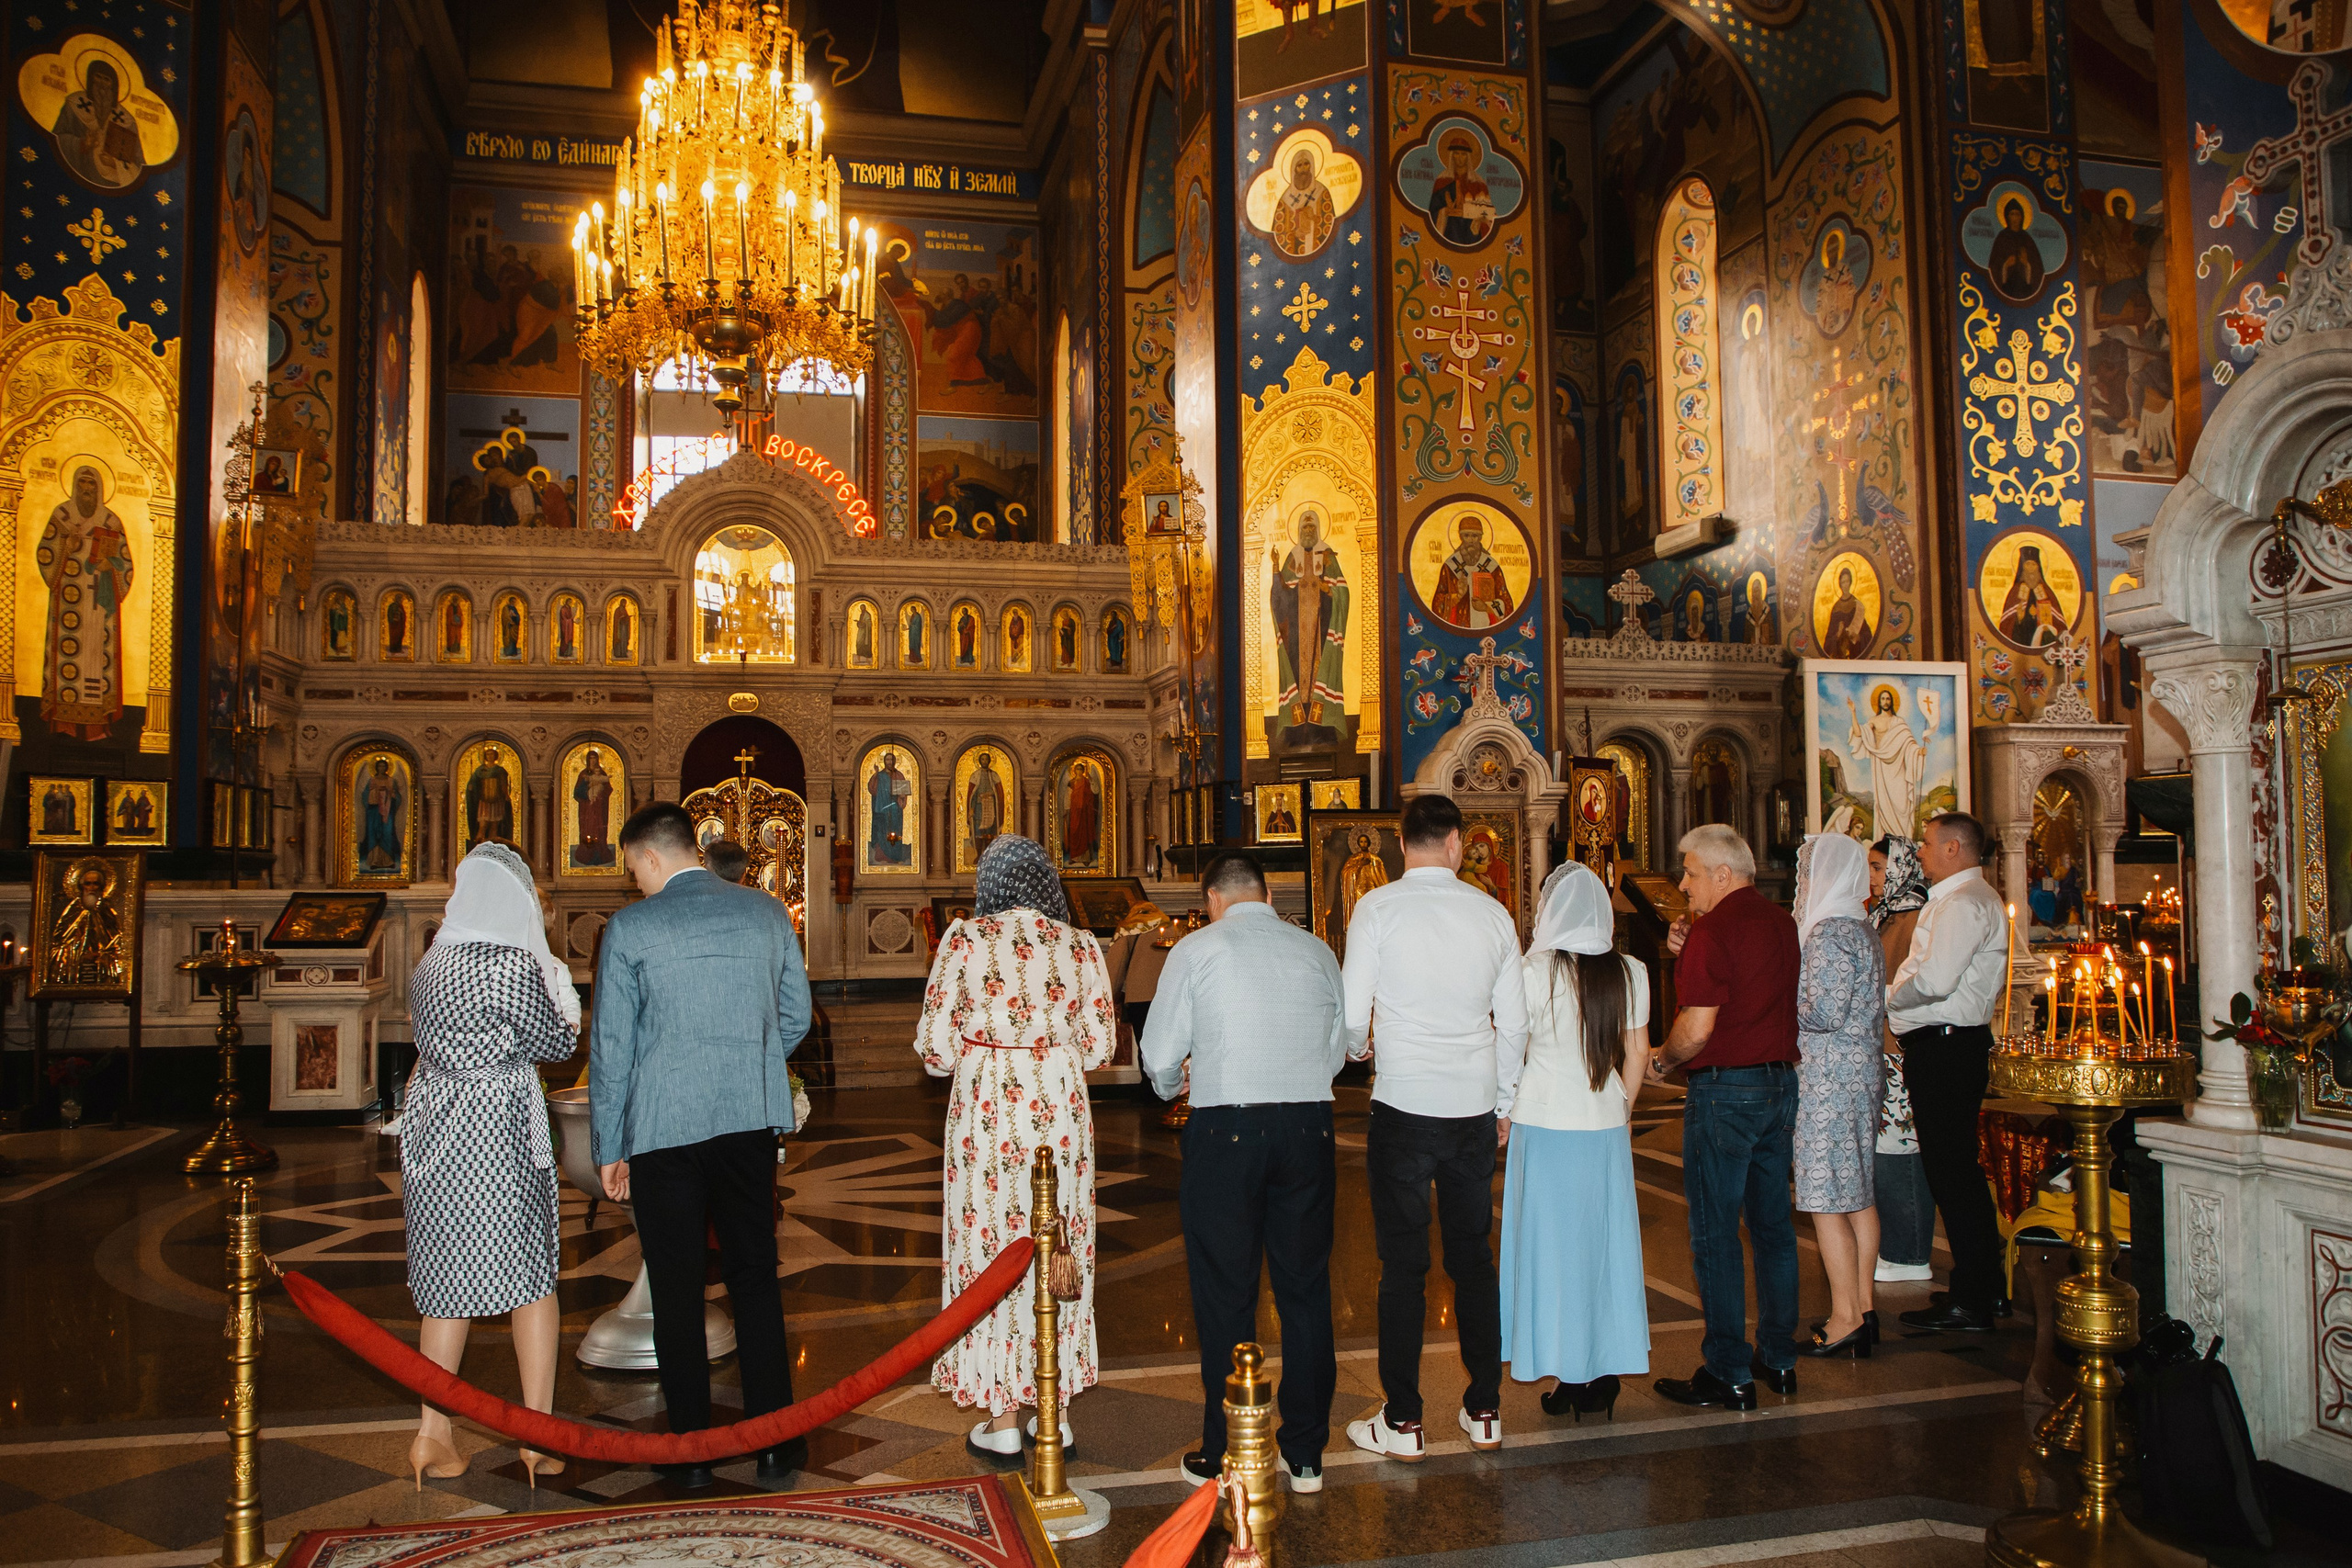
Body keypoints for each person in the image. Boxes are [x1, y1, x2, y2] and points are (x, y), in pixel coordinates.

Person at [591, 802, 812, 1489]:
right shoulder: (766, 914)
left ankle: (690, 1452)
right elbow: (797, 1014)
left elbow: (612, 1047)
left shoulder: (631, 928)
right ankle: (777, 1441)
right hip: (747, 1120)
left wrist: (609, 1141)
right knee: (753, 1274)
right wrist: (748, 1055)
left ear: (653, 857)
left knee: (678, 1285)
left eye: (634, 869)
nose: (635, 882)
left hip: (663, 1128)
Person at [1143, 852, 1347, 1493]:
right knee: (1305, 1289)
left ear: (1212, 899)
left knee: (1227, 1293)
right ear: (1265, 893)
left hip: (1226, 1129)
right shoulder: (1316, 950)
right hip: (1309, 1126)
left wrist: (1179, 1083)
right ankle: (1307, 1451)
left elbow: (1158, 1054)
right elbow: (1337, 1051)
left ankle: (1228, 1448)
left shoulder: (1198, 949)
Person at [1340, 793, 1528, 1461]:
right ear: (1455, 844)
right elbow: (1517, 1022)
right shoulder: (1493, 913)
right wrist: (1504, 1100)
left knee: (1403, 1267)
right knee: (1473, 1260)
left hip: (1403, 1108)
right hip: (1473, 1106)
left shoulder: (1377, 907)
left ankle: (1404, 1420)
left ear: (1400, 841)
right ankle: (1484, 1409)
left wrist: (1360, 1048)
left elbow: (1351, 1009)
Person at [914, 836, 1116, 1455]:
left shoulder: (964, 940)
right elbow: (1103, 1045)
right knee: (1059, 1241)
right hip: (1059, 1114)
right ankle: (1051, 1407)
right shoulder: (1080, 945)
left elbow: (935, 1050)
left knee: (989, 1246)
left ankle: (1002, 1420)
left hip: (986, 1117)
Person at [400, 844, 580, 1489]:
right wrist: (558, 988)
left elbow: (422, 1035)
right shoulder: (508, 963)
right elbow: (556, 1042)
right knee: (530, 1272)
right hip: (496, 1123)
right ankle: (537, 1435)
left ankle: (432, 1431)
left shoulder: (430, 961)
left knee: (447, 1275)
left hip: (434, 1123)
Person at [1650, 823, 1802, 1410]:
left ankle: (1728, 1370)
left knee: (1715, 1232)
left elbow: (1697, 1027)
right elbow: (1751, 986)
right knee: (1772, 1228)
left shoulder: (1717, 928)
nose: (1683, 885)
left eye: (1689, 872)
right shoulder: (1780, 921)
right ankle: (1779, 1359)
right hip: (1779, 1084)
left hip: (1726, 1092)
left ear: (1721, 873)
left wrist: (1662, 1060)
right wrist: (1692, 951)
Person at [1500, 863, 1651, 1421]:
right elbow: (1637, 1054)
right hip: (1603, 1123)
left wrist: (1500, 1105)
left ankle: (1568, 1372)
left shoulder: (1533, 971)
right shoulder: (1631, 970)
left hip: (1542, 1123)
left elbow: (1511, 1047)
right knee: (1603, 1249)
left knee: (1551, 1254)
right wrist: (1622, 1109)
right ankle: (1597, 1373)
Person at [1888, 812, 2014, 1333]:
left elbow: (1937, 980)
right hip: (1948, 1046)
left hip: (1945, 1047)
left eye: (1927, 844)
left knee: (1952, 1172)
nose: (1919, 852)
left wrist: (1890, 997)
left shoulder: (1963, 903)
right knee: (1956, 1170)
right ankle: (1982, 1286)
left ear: (1955, 849)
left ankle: (1972, 1298)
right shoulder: (1965, 898)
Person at [1790, 834, 1886, 1358]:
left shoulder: (1828, 934)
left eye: (1807, 873)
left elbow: (1821, 1014)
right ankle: (1864, 1305)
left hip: (1828, 1079)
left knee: (1827, 1199)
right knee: (1859, 1194)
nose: (1802, 883)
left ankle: (1845, 1316)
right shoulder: (1861, 927)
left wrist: (1779, 1001)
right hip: (1859, 1073)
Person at [1868, 838, 1936, 1284]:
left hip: (1900, 1046)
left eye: (1876, 867)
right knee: (1882, 1150)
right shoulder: (1883, 912)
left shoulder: (1914, 916)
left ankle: (1911, 1252)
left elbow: (1908, 981)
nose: (1870, 877)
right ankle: (1893, 1246)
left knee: (1902, 1150)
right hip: (1879, 1045)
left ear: (1899, 867)